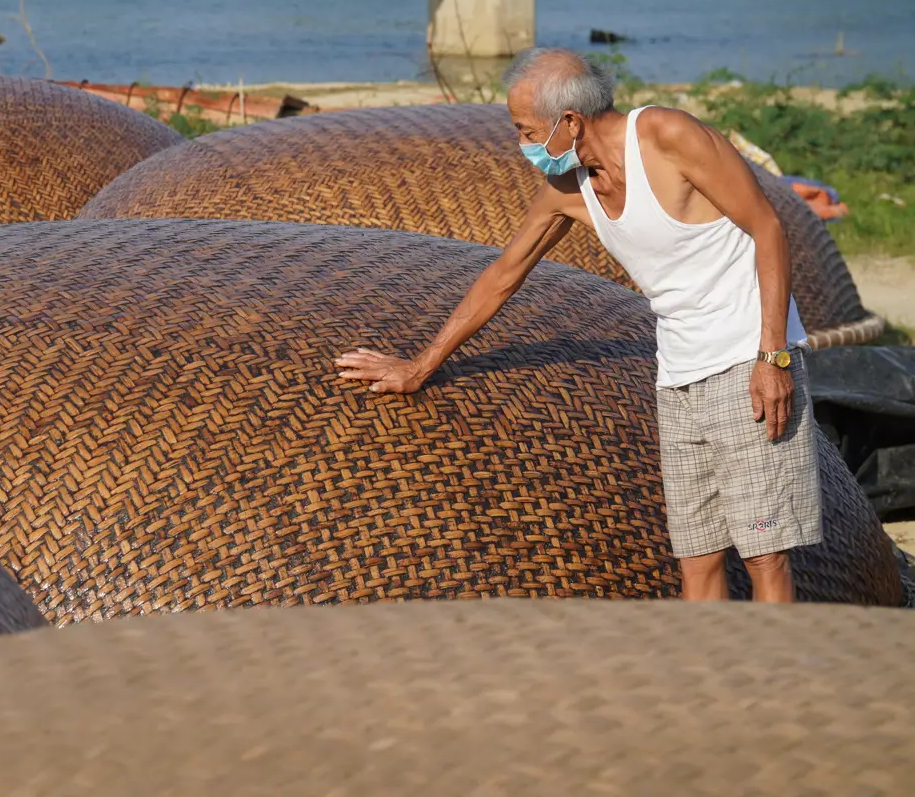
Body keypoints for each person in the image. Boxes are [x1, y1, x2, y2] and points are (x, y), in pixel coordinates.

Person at [334, 47, 820, 603]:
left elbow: (768, 227)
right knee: (698, 557)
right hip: (678, 377)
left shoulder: (667, 136)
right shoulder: (570, 188)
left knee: (764, 552)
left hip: (746, 359)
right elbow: (503, 275)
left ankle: (776, 686)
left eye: (524, 130)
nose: (521, 145)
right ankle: (703, 684)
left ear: (569, 122)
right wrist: (420, 365)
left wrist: (773, 356)